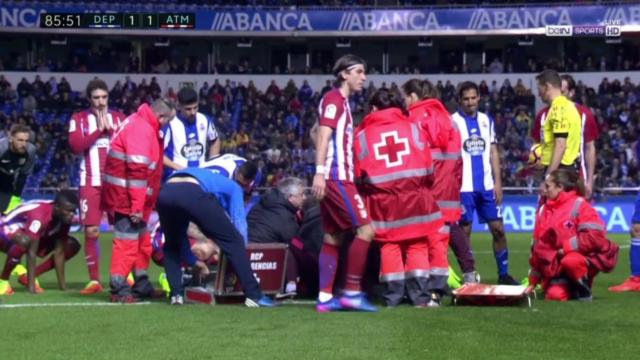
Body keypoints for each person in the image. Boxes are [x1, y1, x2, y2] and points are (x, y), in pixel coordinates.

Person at [354, 89, 444, 307]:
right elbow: (428, 166)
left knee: (389, 245)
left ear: (374, 109)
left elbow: (358, 175)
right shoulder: (412, 128)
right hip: (415, 198)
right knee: (418, 245)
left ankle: (393, 297)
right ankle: (419, 298)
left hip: (383, 202)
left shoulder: (362, 136)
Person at [311, 54, 377, 312]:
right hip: (337, 177)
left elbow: (317, 133)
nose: (364, 77)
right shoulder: (334, 99)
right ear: (344, 74)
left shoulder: (341, 103)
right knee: (366, 230)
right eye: (359, 72)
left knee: (334, 236)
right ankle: (351, 291)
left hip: (334, 176)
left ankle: (325, 298)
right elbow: (323, 135)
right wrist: (320, 171)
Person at [156, 167, 275, 307]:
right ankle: (254, 295)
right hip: (192, 192)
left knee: (172, 246)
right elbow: (239, 222)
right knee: (234, 240)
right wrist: (241, 249)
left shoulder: (210, 170)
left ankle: (176, 295)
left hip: (165, 192)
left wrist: (193, 260)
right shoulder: (234, 186)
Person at [403, 79, 477, 287]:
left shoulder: (413, 119)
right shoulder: (449, 119)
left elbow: (412, 157)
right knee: (450, 228)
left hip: (426, 186)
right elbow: (459, 159)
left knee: (423, 234)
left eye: (406, 97)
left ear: (414, 96)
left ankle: (427, 283)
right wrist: (456, 184)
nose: (405, 102)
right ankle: (469, 272)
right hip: (449, 187)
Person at [103, 98, 176, 303]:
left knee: (142, 243)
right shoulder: (141, 129)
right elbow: (137, 170)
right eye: (167, 121)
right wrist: (136, 205)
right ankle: (119, 288)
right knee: (126, 244)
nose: (166, 125)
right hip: (127, 198)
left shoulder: (140, 123)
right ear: (160, 116)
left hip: (134, 197)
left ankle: (141, 284)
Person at [452, 81, 519, 285]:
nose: (471, 102)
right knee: (465, 233)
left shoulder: (486, 120)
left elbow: (493, 151)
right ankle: (469, 276)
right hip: (464, 188)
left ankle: (503, 274)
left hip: (487, 187)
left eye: (474, 98)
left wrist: (498, 182)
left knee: (498, 229)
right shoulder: (452, 122)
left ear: (479, 98)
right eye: (466, 99)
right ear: (460, 100)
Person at [68, 79, 126, 295]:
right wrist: (97, 132)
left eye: (104, 97)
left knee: (123, 229)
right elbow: (75, 146)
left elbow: (130, 144)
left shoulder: (119, 118)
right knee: (91, 231)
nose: (101, 102)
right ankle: (94, 281)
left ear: (108, 97)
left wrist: (110, 132)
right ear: (89, 99)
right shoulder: (79, 119)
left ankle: (125, 275)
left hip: (116, 183)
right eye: (96, 98)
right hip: (90, 182)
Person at [527, 169, 619, 301]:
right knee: (554, 295)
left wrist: (565, 248)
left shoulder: (580, 205)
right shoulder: (543, 210)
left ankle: (584, 290)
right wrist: (533, 281)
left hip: (578, 259)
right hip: (556, 265)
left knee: (571, 261)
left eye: (547, 186)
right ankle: (570, 287)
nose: (543, 190)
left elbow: (596, 237)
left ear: (560, 187)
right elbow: (538, 249)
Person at [531, 74, 599, 199]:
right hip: (551, 174)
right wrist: (536, 162)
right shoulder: (542, 115)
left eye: (562, 92)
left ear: (571, 93)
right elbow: (538, 146)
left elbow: (589, 148)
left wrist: (589, 180)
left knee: (572, 214)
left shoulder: (584, 114)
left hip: (573, 175)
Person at [0, 190, 79, 295]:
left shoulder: (64, 218)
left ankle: (26, 276)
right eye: (69, 211)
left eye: (73, 211)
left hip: (24, 233)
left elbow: (60, 252)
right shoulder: (39, 215)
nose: (71, 214)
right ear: (57, 207)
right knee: (25, 242)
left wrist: (63, 288)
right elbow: (31, 253)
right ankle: (3, 281)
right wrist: (31, 289)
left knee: (71, 245)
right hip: (4, 227)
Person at [247, 177, 306, 297]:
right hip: (265, 252)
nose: (304, 198)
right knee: (294, 248)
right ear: (290, 197)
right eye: (302, 194)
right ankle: (292, 286)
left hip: (248, 246)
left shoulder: (267, 202)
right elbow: (294, 240)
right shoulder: (283, 213)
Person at [162, 87, 220, 179]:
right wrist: (177, 167)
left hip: (200, 177)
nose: (193, 112)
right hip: (176, 177)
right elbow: (158, 153)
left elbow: (215, 140)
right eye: (188, 109)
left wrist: (211, 163)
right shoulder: (170, 124)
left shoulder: (204, 120)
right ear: (179, 106)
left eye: (195, 107)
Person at [535, 70, 582, 180]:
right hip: (565, 170)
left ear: (547, 87)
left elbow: (561, 145)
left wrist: (549, 177)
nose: (538, 94)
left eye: (539, 89)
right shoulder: (570, 106)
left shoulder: (558, 109)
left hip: (560, 174)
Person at [0, 124, 36, 214]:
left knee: (5, 212)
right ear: (11, 138)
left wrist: (16, 198)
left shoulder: (30, 150)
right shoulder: (1, 148)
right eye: (20, 140)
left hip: (8, 181)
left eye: (26, 141)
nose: (24, 144)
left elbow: (23, 176)